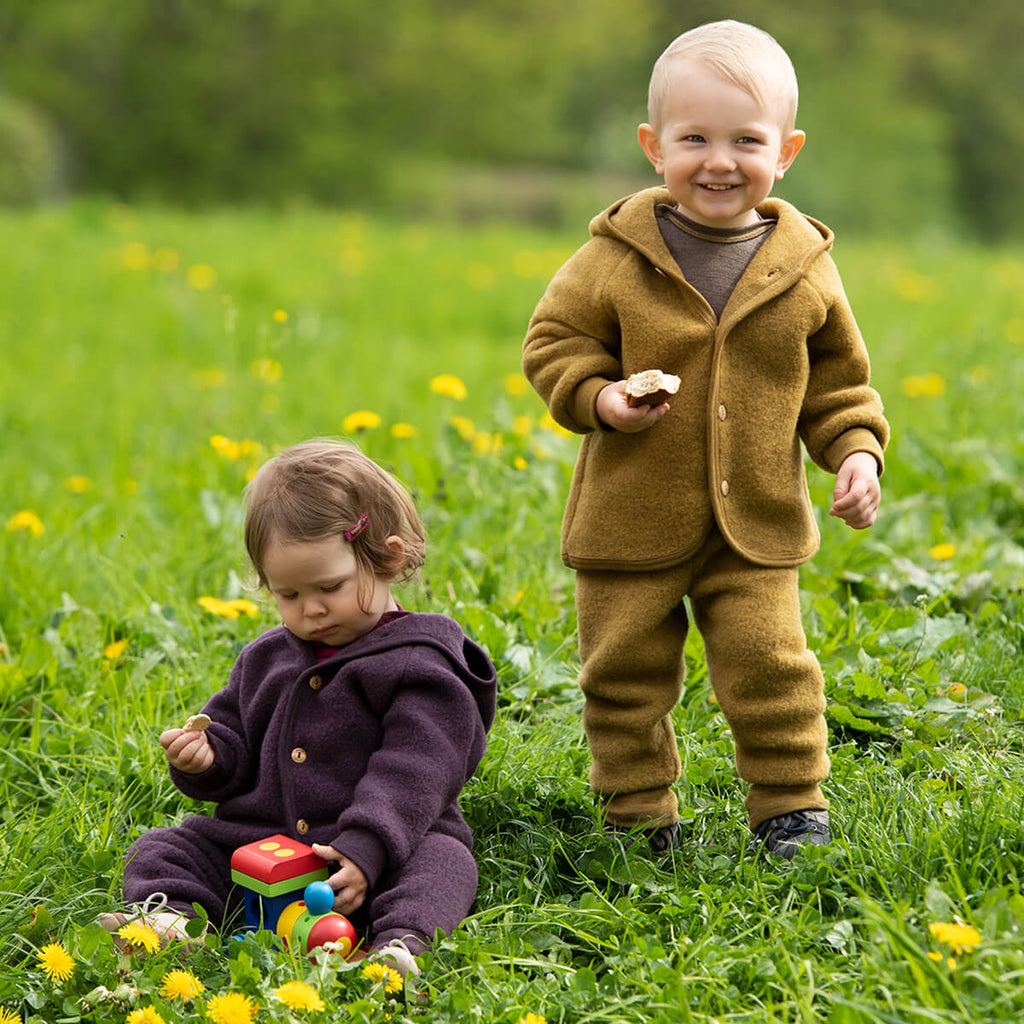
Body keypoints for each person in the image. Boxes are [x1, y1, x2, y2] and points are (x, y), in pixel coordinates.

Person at [522, 20, 889, 859]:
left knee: (774, 671)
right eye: (694, 138)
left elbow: (838, 384)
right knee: (622, 680)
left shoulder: (803, 265)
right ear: (654, 146)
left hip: (755, 527)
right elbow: (553, 342)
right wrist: (598, 395)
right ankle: (640, 818)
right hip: (629, 523)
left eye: (745, 140)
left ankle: (791, 807)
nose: (719, 161)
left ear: (786, 150)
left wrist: (858, 451)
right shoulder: (615, 255)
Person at [102, 440, 497, 972]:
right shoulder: (266, 658)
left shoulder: (419, 662)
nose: (310, 609)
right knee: (167, 845)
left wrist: (367, 846)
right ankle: (172, 921)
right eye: (288, 595)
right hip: (266, 846)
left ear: (388, 557)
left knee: (443, 862)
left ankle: (401, 945)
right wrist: (208, 756)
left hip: (376, 849)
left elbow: (418, 767)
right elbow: (235, 736)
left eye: (330, 586)